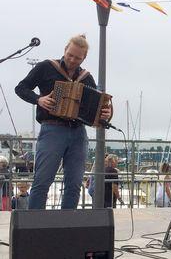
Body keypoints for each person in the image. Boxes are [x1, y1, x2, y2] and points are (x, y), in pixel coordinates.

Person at [15, 34, 111, 209]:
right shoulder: (46, 67)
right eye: (70, 55)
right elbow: (21, 88)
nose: (73, 60)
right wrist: (39, 99)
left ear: (84, 57)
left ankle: (68, 228)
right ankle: (35, 229)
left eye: (78, 57)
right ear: (65, 50)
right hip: (52, 129)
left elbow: (95, 108)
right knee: (42, 181)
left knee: (74, 184)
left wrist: (105, 113)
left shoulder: (86, 78)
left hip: (78, 132)